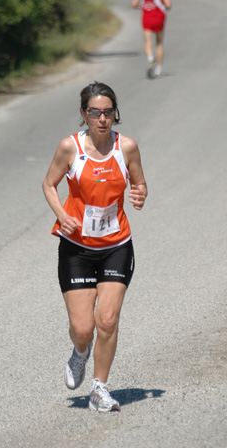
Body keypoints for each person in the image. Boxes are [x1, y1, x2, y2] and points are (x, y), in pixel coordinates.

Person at [42, 81, 147, 412]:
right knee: (84, 329)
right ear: (84, 114)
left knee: (107, 319)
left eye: (107, 112)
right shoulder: (69, 148)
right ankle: (80, 352)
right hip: (76, 248)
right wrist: (62, 214)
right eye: (94, 112)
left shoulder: (126, 147)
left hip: (117, 244)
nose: (102, 118)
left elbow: (140, 182)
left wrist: (140, 194)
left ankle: (100, 388)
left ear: (115, 113)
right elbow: (48, 184)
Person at [131, 0, 172, 79]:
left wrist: (143, 6)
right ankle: (158, 67)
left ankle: (150, 59)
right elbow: (168, 5)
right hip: (159, 17)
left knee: (147, 41)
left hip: (147, 17)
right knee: (159, 43)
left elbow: (133, 3)